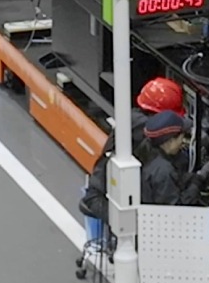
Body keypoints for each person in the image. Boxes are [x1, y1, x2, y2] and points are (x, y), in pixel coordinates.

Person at [80, 77, 187, 223]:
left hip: (104, 187)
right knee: (132, 227)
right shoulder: (144, 130)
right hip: (102, 195)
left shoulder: (131, 118)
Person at [140, 111, 209, 207]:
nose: (182, 142)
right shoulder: (163, 171)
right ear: (170, 141)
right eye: (181, 138)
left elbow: (176, 177)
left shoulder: (148, 151)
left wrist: (195, 177)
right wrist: (196, 184)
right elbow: (177, 208)